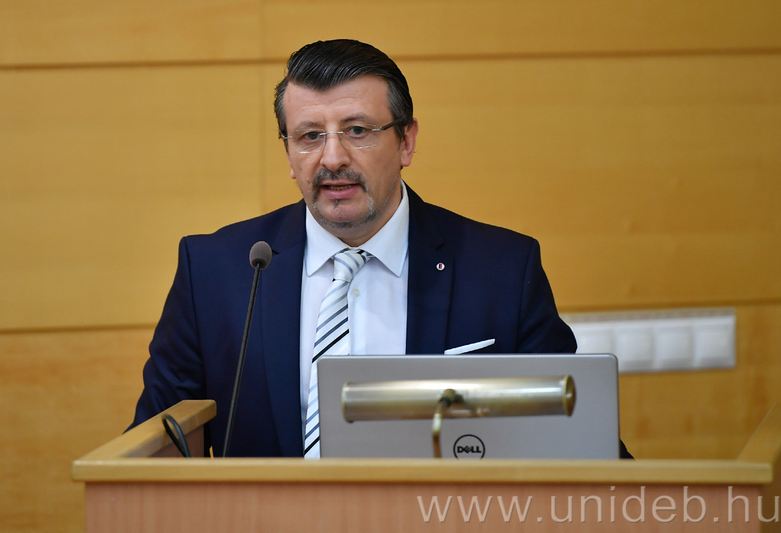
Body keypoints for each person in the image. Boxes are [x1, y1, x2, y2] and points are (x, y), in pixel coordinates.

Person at [131, 39, 628, 458]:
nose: (332, 158)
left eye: (358, 131)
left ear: (406, 142)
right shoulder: (217, 271)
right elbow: (155, 447)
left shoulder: (501, 270)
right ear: (288, 152)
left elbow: (580, 443)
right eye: (309, 136)